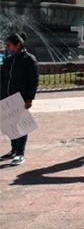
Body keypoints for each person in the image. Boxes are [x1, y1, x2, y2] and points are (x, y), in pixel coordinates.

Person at [0, 33, 39, 166]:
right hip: (6, 97)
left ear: (18, 45)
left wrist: (29, 98)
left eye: (9, 45)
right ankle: (13, 149)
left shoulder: (29, 60)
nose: (7, 47)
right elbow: (2, 78)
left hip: (20, 98)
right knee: (10, 125)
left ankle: (20, 154)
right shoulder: (8, 60)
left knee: (21, 125)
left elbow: (33, 81)